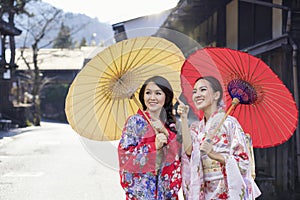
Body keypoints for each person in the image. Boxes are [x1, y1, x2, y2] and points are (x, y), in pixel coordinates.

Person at [177, 76, 261, 200]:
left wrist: (214, 154)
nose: (197, 95)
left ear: (216, 95)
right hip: (204, 187)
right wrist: (183, 118)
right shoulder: (196, 127)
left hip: (225, 186)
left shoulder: (230, 124)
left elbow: (243, 160)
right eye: (194, 92)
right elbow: (188, 153)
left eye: (203, 90)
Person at [118, 76, 182, 200]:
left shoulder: (170, 124)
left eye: (158, 93)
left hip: (166, 195)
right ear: (143, 96)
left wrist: (166, 134)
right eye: (148, 93)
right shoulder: (135, 122)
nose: (152, 98)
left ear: (166, 97)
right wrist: (153, 147)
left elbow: (179, 156)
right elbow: (125, 157)